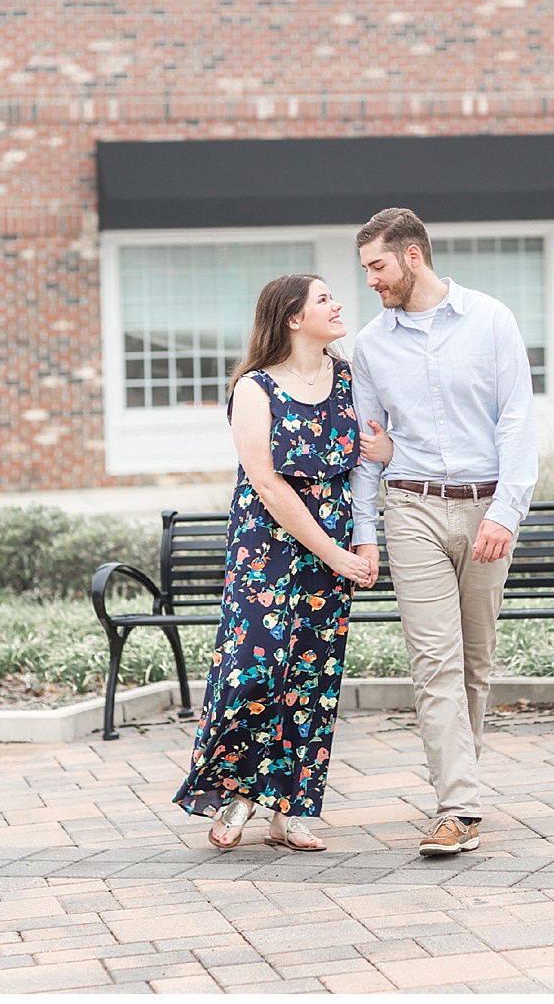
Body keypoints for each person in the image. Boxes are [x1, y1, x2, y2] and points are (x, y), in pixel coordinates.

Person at [174, 273, 390, 852]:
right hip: (266, 551)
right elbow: (267, 484)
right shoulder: (255, 387)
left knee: (312, 678)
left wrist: (385, 458)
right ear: (293, 317)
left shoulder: (348, 380)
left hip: (335, 552)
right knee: (253, 671)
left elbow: (370, 459)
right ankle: (238, 794)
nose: (338, 303)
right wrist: (336, 553)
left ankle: (291, 811)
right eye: (324, 299)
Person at [348, 207, 538, 856]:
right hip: (412, 510)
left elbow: (517, 420)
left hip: (486, 508)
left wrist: (506, 512)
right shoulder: (370, 346)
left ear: (412, 257)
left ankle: (461, 796)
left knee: (475, 664)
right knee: (435, 664)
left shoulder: (491, 321)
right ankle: (457, 807)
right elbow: (368, 448)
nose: (370, 281)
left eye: (377, 267)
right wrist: (364, 528)